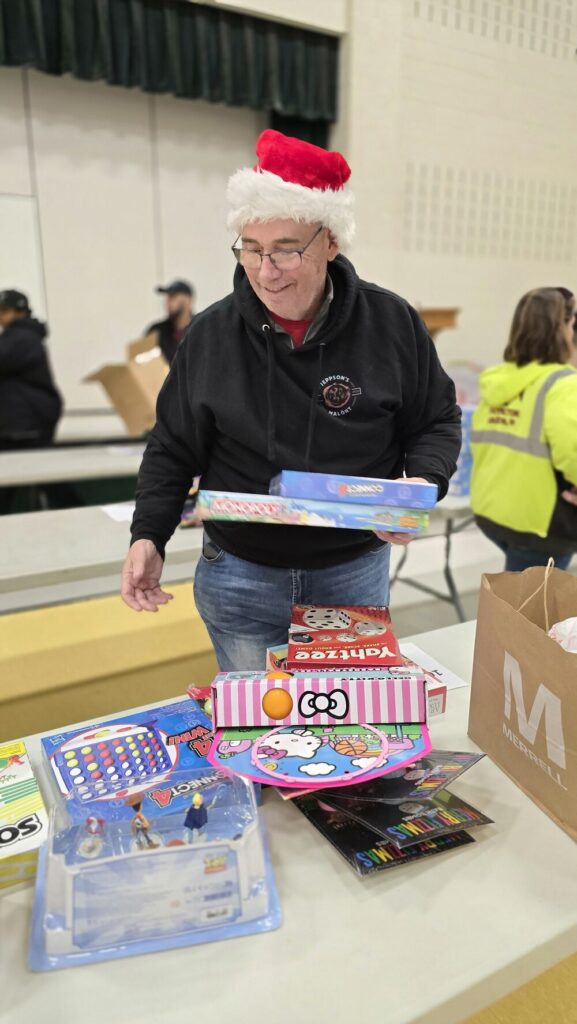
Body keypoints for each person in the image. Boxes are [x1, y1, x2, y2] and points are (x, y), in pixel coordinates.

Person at [122, 130, 461, 670]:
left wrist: (422, 483)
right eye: (252, 249)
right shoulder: (210, 336)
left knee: (349, 727)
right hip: (240, 572)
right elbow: (172, 445)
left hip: (352, 570)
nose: (264, 270)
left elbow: (436, 420)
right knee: (259, 729)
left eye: (286, 250)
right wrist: (149, 534)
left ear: (330, 242)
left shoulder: (391, 324)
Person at [470, 287, 577, 572]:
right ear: (564, 329)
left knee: (517, 601)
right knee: (527, 611)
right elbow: (573, 453)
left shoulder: (498, 381)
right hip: (541, 523)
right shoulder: (563, 384)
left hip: (493, 513)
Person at [0, 289, 62, 451]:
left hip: (24, 424)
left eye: (5, 311)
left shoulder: (21, 337)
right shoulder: (23, 336)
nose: (0, 316)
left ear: (21, 312)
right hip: (26, 421)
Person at [144, 279, 195, 365]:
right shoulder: (156, 332)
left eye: (173, 296)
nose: (168, 302)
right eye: (167, 297)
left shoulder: (201, 329)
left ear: (188, 299)